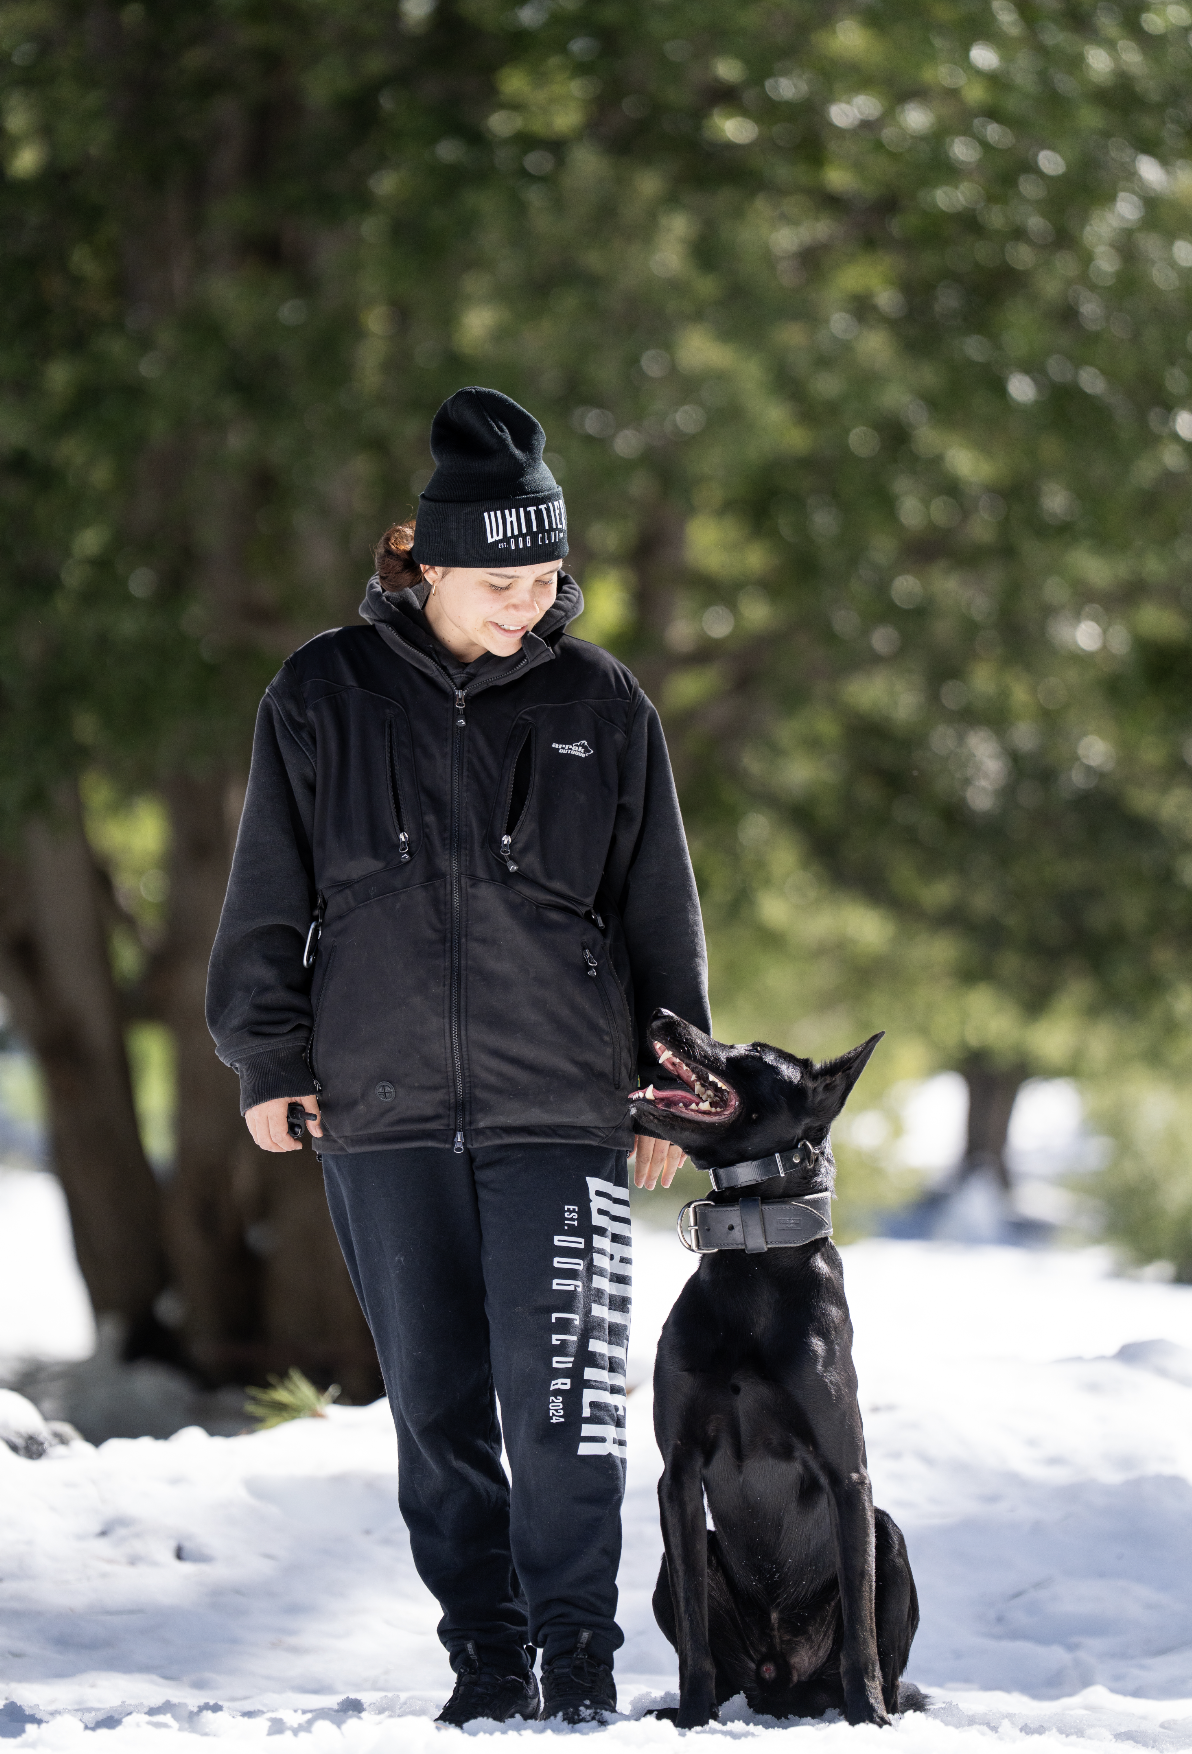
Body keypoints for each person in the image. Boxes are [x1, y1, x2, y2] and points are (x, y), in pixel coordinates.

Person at [206, 387, 711, 1725]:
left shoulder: (602, 702)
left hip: (565, 1105)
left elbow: (657, 907)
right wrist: (267, 1054)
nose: (527, 602)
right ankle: (488, 1659)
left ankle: (579, 1658)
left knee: (567, 1413)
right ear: (422, 559)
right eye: (499, 578)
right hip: (380, 1107)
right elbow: (268, 890)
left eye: (546, 575)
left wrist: (668, 1080)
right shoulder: (321, 693)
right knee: (436, 1410)